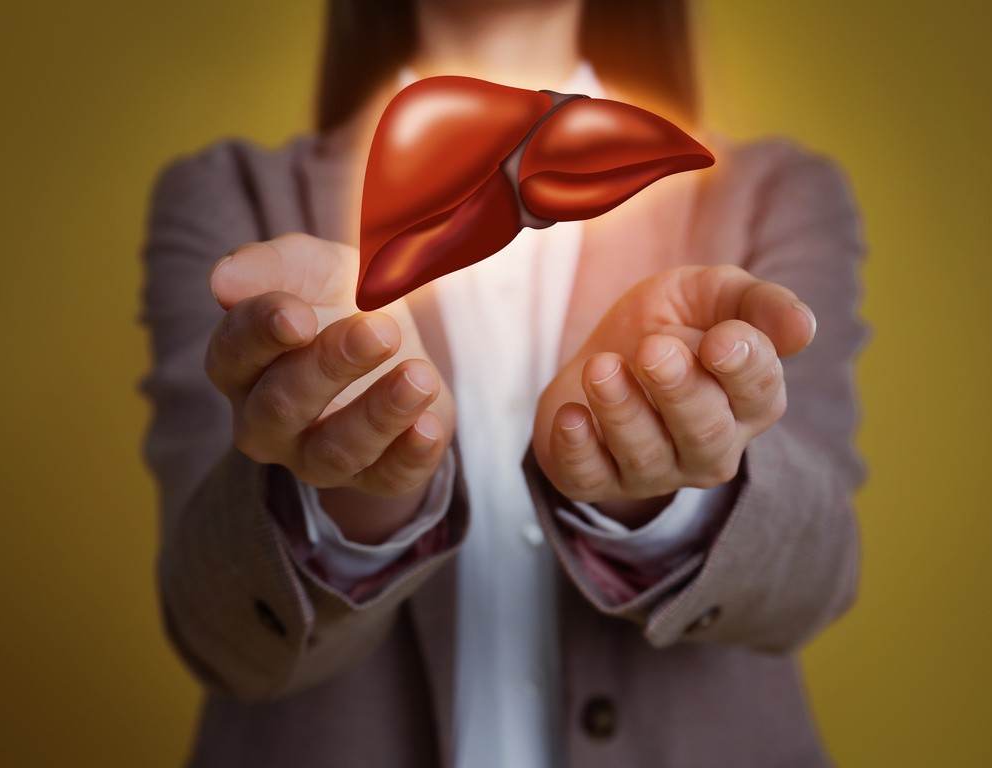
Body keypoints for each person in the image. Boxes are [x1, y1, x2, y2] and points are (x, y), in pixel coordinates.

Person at [141, 0, 867, 766]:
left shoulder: (771, 194)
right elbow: (216, 630)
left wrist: (657, 487)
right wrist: (352, 488)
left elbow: (816, 576)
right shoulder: (232, 196)